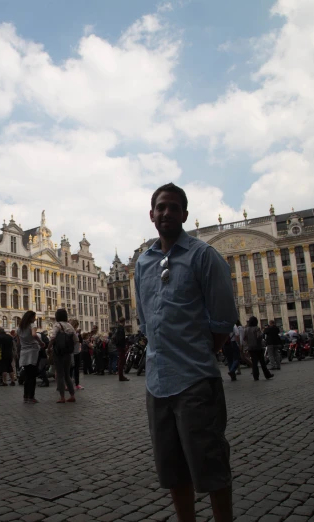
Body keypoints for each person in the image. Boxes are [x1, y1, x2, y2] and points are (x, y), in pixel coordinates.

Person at [135, 183, 237, 522]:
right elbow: (145, 320)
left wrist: (196, 352)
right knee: (172, 470)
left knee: (211, 467)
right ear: (152, 214)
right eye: (161, 207)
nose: (166, 213)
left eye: (173, 207)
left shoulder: (203, 256)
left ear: (185, 215)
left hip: (194, 380)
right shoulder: (143, 263)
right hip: (156, 382)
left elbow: (222, 320)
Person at [49, 308, 78, 403]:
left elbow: (53, 337)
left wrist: (49, 347)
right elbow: (76, 340)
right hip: (68, 353)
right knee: (67, 375)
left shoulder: (57, 325)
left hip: (58, 353)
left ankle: (62, 397)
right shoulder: (70, 325)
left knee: (60, 375)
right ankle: (72, 395)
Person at [17, 311, 41, 403]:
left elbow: (18, 342)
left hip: (24, 351)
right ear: (31, 317)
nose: (35, 318)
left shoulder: (19, 328)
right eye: (34, 317)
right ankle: (31, 396)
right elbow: (34, 334)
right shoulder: (32, 325)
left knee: (27, 375)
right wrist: (40, 342)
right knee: (32, 375)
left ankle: (25, 396)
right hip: (32, 350)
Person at [244, 317, 273, 381]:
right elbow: (259, 336)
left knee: (254, 363)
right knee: (262, 362)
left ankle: (256, 376)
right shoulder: (257, 328)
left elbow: (244, 338)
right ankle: (267, 375)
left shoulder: (246, 329)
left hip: (250, 348)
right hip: (258, 347)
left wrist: (248, 343)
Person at [70, 319, 83, 389]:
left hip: (77, 352)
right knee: (71, 369)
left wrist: (79, 334)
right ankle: (71, 384)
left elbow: (81, 341)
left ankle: (77, 384)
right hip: (72, 353)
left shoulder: (77, 333)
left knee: (76, 369)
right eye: (76, 326)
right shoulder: (70, 332)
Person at [115, 317, 129, 382]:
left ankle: (121, 376)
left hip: (119, 346)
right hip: (121, 347)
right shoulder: (121, 329)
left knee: (121, 361)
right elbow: (121, 339)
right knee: (122, 361)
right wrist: (124, 347)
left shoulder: (118, 328)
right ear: (123, 322)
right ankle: (121, 376)